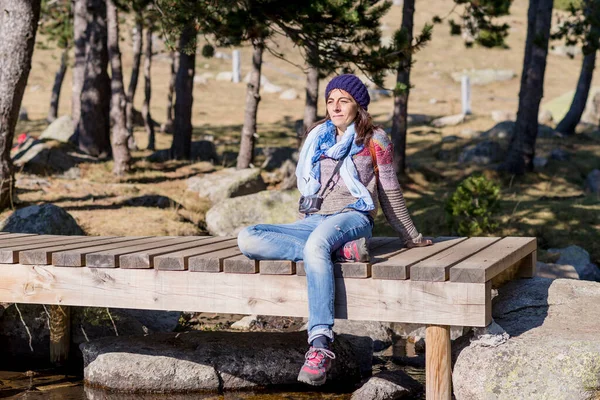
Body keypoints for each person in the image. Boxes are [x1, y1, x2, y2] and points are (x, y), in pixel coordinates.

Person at [237, 74, 432, 386]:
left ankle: (320, 345)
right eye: (330, 101)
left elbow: (389, 190)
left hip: (354, 216)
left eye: (344, 100)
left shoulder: (376, 139)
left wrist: (410, 235)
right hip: (316, 219)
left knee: (316, 246)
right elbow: (310, 190)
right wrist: (303, 225)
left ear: (359, 105)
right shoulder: (319, 137)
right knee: (248, 238)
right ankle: (340, 253)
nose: (335, 107)